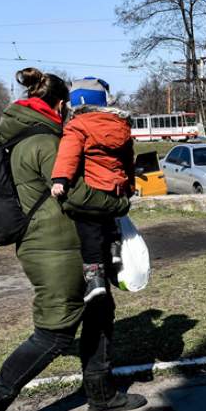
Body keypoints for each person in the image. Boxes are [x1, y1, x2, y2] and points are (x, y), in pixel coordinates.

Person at [0, 68, 146, 411]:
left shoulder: (26, 136)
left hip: (67, 245)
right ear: (60, 105)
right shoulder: (45, 142)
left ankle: (101, 393)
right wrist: (121, 201)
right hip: (54, 250)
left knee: (100, 310)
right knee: (54, 333)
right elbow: (76, 196)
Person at [50, 77, 135, 302]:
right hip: (115, 189)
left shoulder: (78, 125)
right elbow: (128, 161)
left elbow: (69, 154)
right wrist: (130, 186)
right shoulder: (121, 126)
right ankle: (114, 250)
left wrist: (60, 179)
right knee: (109, 219)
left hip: (93, 186)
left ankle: (95, 278)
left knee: (88, 228)